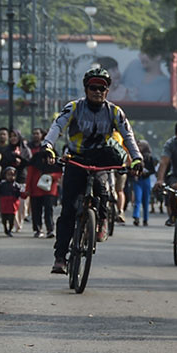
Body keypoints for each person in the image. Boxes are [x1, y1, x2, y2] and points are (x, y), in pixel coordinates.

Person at [42, 64, 143, 273]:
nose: (97, 92)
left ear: (107, 91)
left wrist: (137, 159)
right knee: (68, 210)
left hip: (101, 159)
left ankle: (102, 219)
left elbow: (128, 137)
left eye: (102, 88)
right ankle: (60, 257)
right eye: (93, 88)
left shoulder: (115, 112)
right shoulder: (74, 107)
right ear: (86, 89)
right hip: (76, 159)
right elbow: (57, 127)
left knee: (103, 190)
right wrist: (48, 147)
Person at [155, 119, 177, 225]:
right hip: (176, 176)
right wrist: (160, 179)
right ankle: (173, 215)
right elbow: (164, 162)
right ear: (176, 135)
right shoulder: (170, 144)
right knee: (174, 189)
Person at [24, 144, 60, 238]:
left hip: (50, 190)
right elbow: (30, 175)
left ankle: (50, 229)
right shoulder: (35, 159)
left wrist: (52, 176)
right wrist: (28, 189)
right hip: (36, 190)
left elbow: (59, 173)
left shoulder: (55, 159)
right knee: (36, 211)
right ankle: (38, 229)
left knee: (49, 210)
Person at [131, 140, 156, 226]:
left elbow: (153, 170)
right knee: (137, 199)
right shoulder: (135, 157)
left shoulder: (149, 158)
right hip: (138, 180)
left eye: (140, 146)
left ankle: (145, 219)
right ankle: (136, 217)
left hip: (146, 180)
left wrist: (147, 172)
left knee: (146, 201)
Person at [0, 166, 22, 236]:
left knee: (11, 219)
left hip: (12, 205)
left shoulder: (17, 185)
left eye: (13, 175)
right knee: (4, 218)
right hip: (4, 204)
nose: (11, 177)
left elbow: (20, 194)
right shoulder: (2, 184)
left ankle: (10, 229)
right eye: (9, 175)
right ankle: (5, 228)